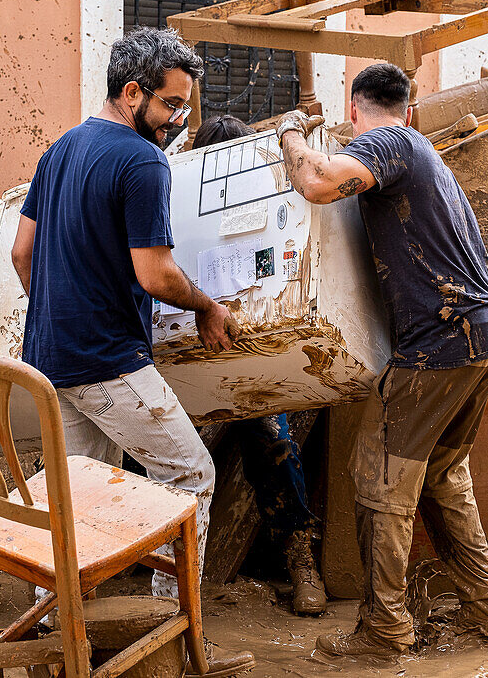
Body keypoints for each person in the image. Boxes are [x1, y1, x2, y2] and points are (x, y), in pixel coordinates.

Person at [11, 26, 254, 677]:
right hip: (108, 359)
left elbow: (21, 254)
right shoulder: (142, 160)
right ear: (131, 93)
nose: (179, 120)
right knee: (191, 475)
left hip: (50, 360)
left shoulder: (60, 149)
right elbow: (155, 274)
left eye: (185, 108)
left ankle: (55, 650)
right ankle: (172, 643)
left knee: (74, 501)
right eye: (172, 105)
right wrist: (207, 306)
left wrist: (60, 312)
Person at [276, 63, 488, 657]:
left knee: (378, 481)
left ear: (354, 107)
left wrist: (291, 135)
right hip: (482, 335)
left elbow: (316, 184)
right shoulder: (418, 147)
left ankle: (386, 631)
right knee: (441, 475)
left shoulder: (390, 143)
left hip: (441, 342)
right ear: (409, 106)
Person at [191, 114, 326, 616]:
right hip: (184, 344)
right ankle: (162, 560)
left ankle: (300, 558)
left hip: (246, 348)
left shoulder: (269, 201)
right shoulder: (177, 198)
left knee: (273, 438)